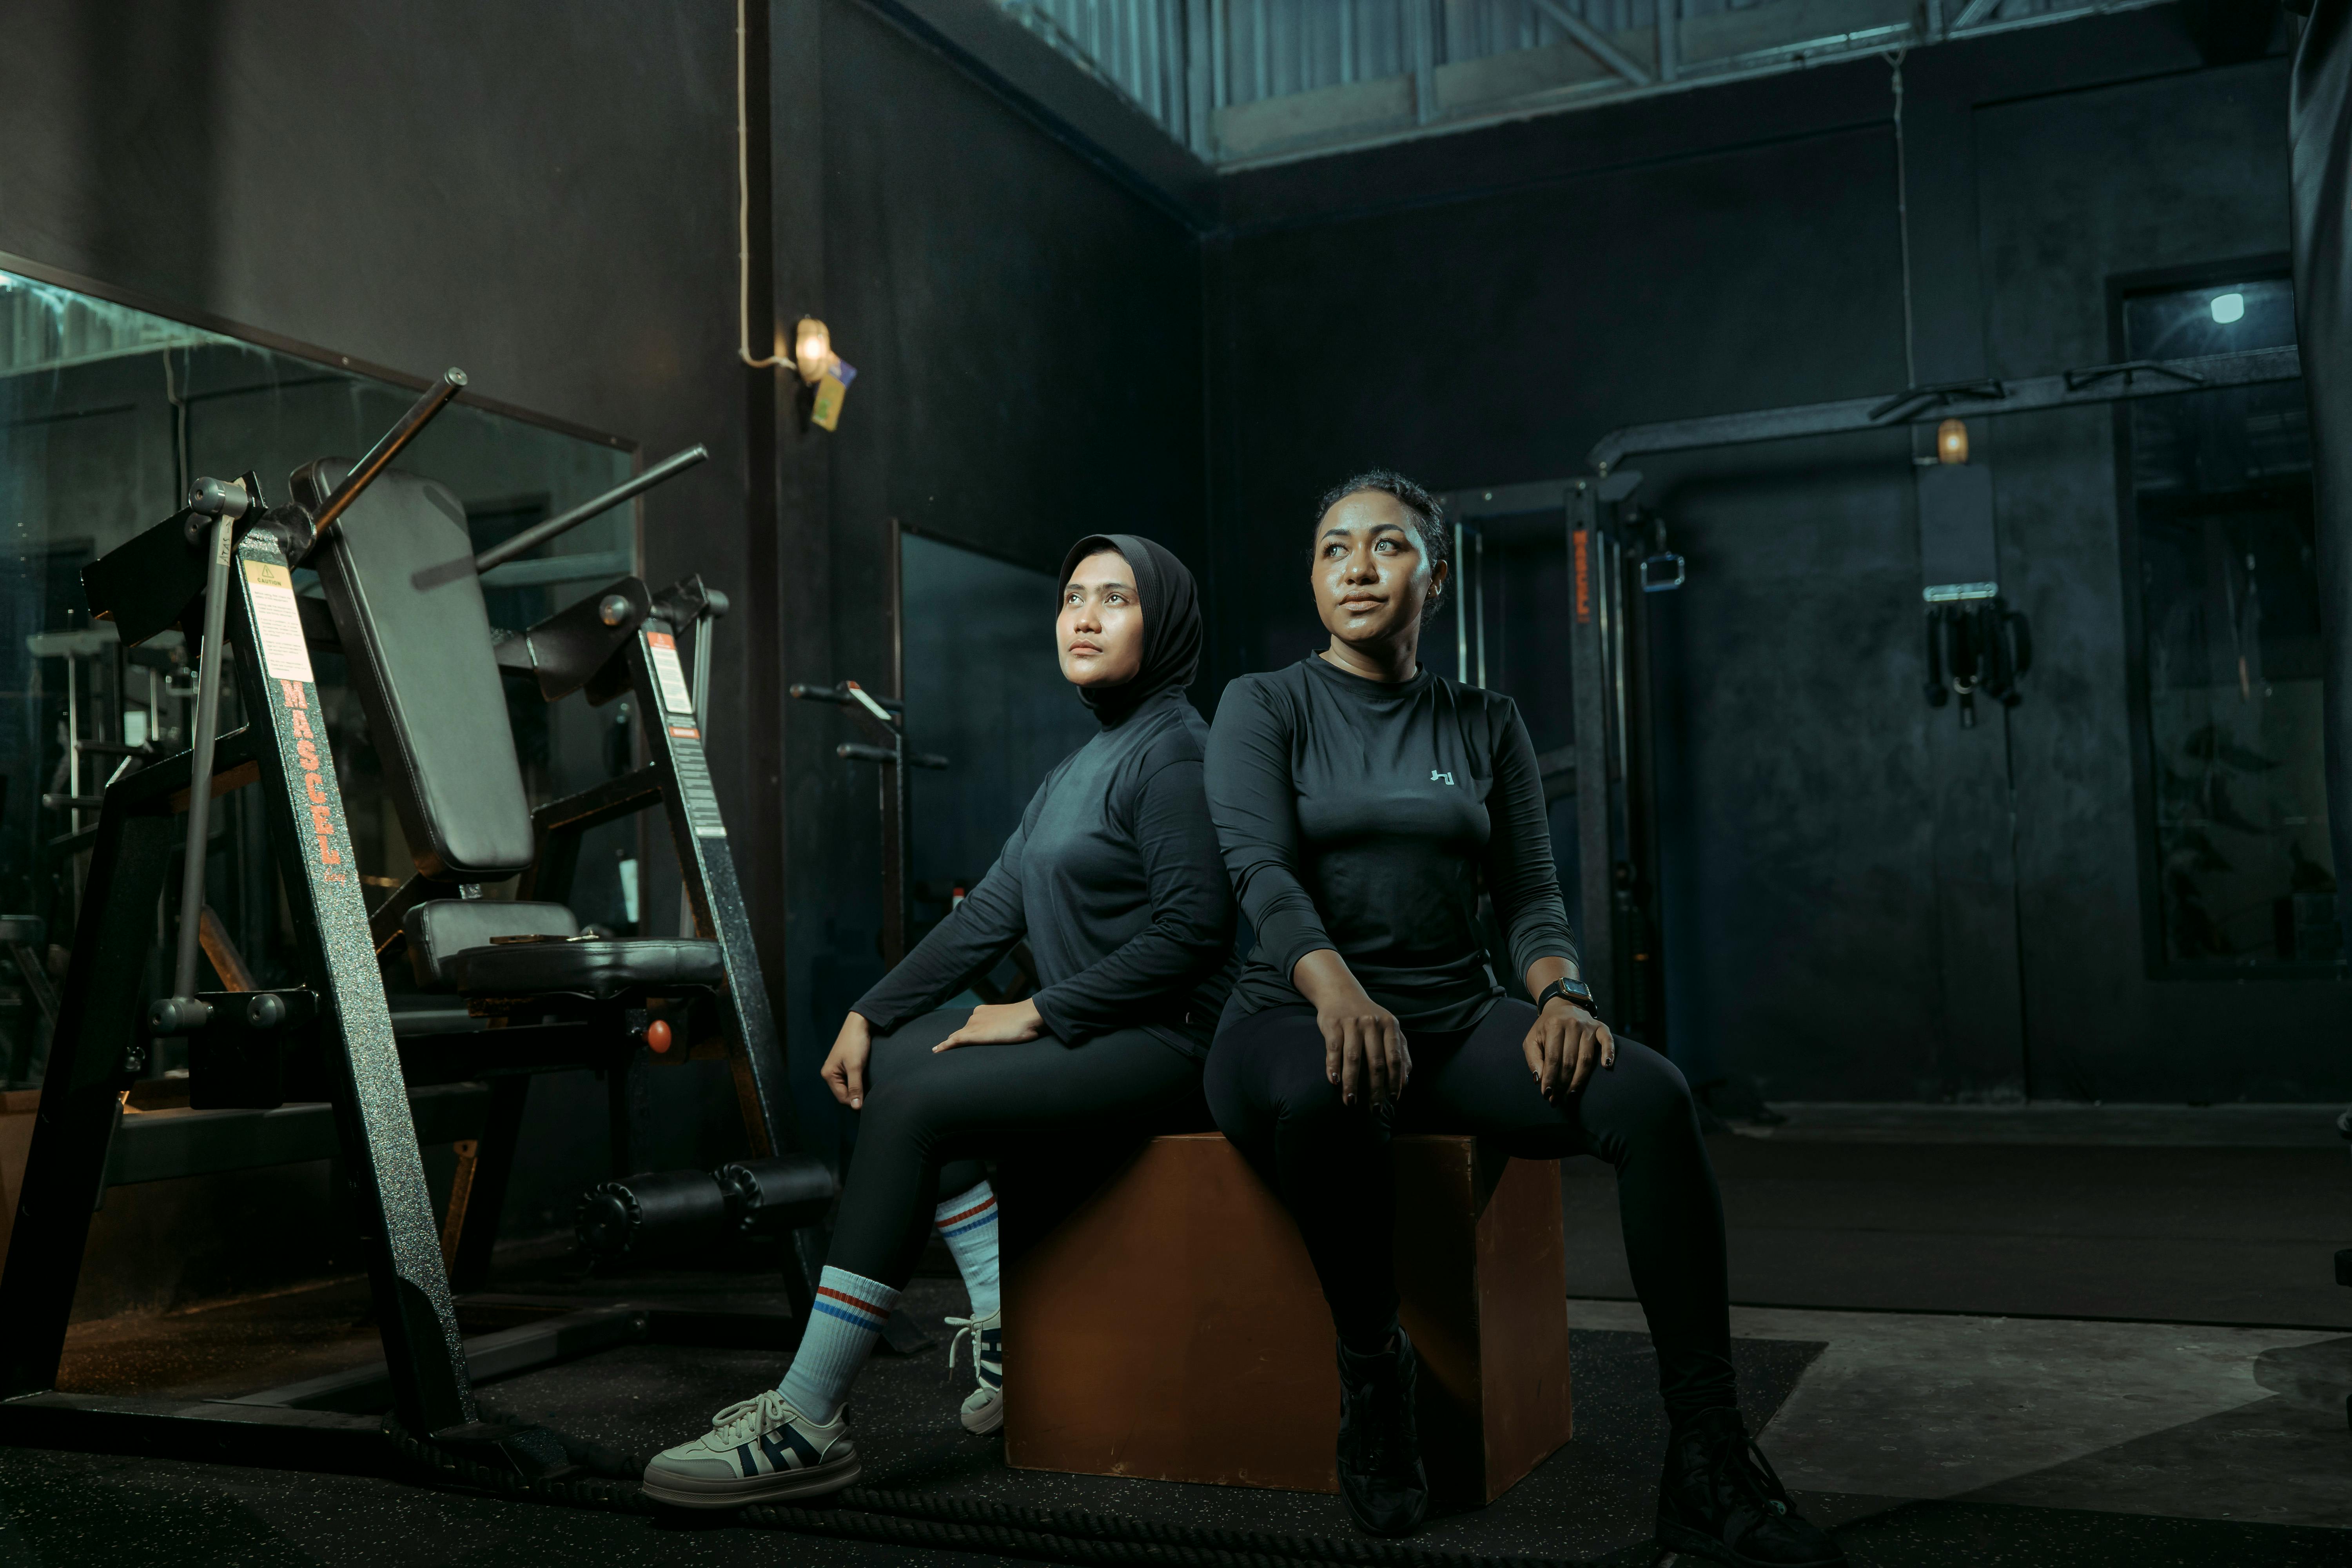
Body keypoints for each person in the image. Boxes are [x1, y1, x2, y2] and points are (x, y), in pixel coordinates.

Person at [1201, 472, 1843, 1567]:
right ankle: (1376, 1374)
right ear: (1314, 577)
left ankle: (1708, 1454)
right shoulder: (1265, 705)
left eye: (1388, 546)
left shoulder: (1486, 721)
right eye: (1333, 549)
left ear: (1434, 577)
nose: (1357, 567)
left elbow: (1533, 899)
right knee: (1329, 1083)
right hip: (1285, 1019)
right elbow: (1261, 874)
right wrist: (1338, 991)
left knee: (1652, 1096)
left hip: (1451, 1024)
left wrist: (1560, 994)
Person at [642, 534, 1234, 1508]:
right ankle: (1009, 1333)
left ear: (1162, 621)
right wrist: (870, 1011)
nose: (1082, 617)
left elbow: (1196, 935)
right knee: (894, 1060)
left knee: (921, 1101)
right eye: (1072, 596)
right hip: (1101, 1031)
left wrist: (1034, 1010)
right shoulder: (1084, 762)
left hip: (1174, 1045)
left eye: (1114, 599)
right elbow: (991, 912)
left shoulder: (1176, 752)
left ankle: (809, 1418)